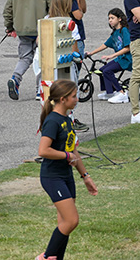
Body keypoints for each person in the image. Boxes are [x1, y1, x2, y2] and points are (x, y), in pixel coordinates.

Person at [35, 80, 98, 260]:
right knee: (72, 220)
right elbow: (43, 150)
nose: (77, 99)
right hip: (52, 177)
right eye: (73, 96)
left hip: (66, 176)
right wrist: (66, 156)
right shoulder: (53, 121)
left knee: (65, 224)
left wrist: (85, 176)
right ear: (62, 99)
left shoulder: (67, 120)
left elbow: (73, 150)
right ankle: (46, 257)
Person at [4, 0, 53, 101]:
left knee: (25, 57)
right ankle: (40, 90)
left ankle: (16, 78)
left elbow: (8, 9)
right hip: (41, 29)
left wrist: (9, 26)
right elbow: (53, 9)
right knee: (43, 59)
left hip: (22, 29)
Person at [86, 9, 132, 102]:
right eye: (109, 18)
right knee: (102, 70)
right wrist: (91, 53)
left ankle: (121, 93)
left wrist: (112, 55)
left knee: (107, 71)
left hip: (126, 59)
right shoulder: (115, 33)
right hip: (120, 59)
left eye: (112, 18)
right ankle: (109, 92)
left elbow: (128, 48)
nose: (110, 20)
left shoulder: (124, 30)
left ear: (119, 19)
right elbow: (105, 45)